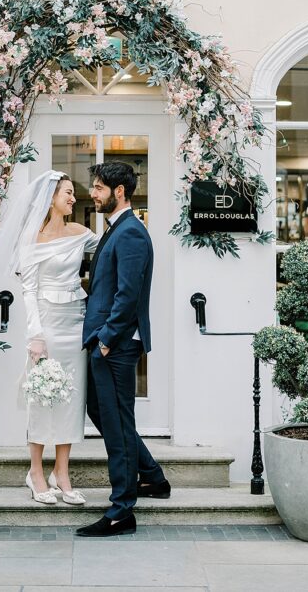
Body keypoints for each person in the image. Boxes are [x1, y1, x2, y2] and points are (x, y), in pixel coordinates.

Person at [76, 161, 172, 538]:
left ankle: (121, 510)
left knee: (116, 425)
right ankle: (152, 477)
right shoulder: (117, 229)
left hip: (114, 346)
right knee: (100, 411)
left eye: (99, 188)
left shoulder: (131, 232)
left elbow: (127, 295)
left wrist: (106, 338)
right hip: (105, 342)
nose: (92, 193)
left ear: (119, 191)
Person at [4, 171, 97, 506]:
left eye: (73, 193)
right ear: (51, 198)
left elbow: (111, 249)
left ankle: (62, 472)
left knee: (71, 398)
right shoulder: (32, 238)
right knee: (43, 398)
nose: (74, 198)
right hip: (46, 324)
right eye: (68, 193)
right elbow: (28, 290)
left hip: (76, 323)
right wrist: (36, 335)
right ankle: (35, 472)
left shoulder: (81, 233)